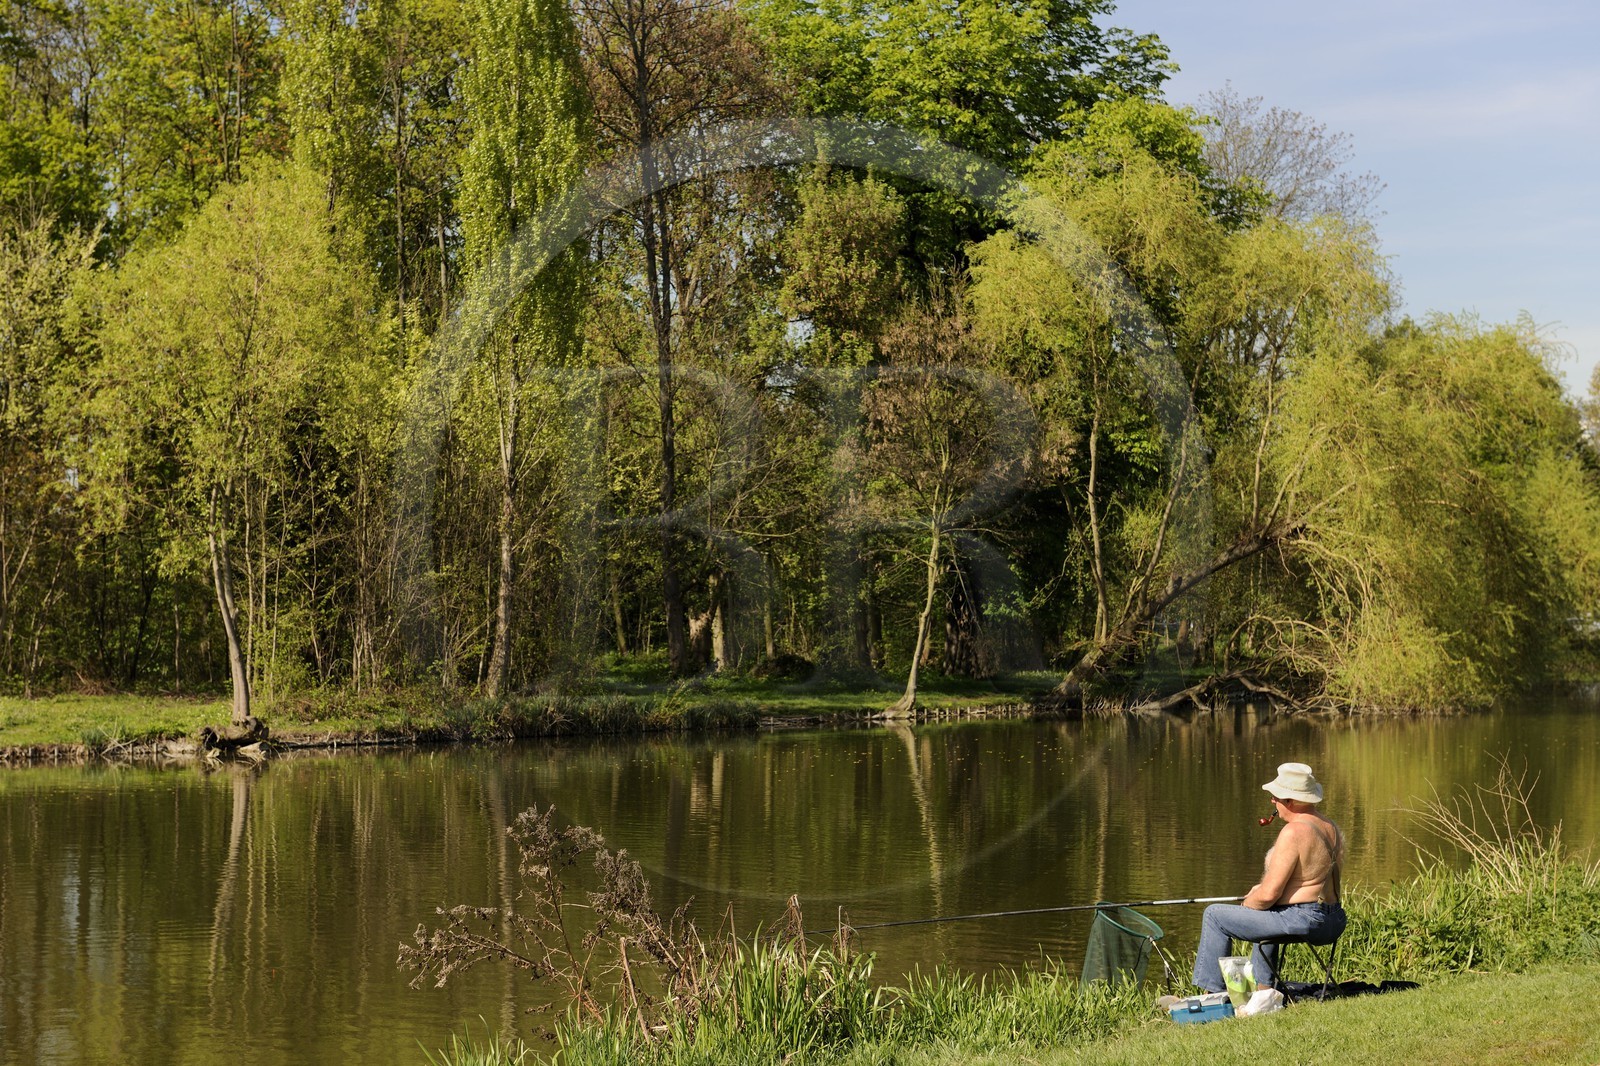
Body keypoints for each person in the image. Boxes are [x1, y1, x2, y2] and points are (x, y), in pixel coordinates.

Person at [1191, 762, 1346, 998]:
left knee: (1214, 915)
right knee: (1268, 913)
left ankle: (1212, 995)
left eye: (1275, 797)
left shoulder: (1293, 832)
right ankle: (1263, 992)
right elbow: (1307, 884)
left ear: (1290, 801)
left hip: (1305, 920)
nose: (1272, 802)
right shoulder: (1329, 827)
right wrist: (1262, 898)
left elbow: (1268, 895)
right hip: (1333, 919)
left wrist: (1249, 903)